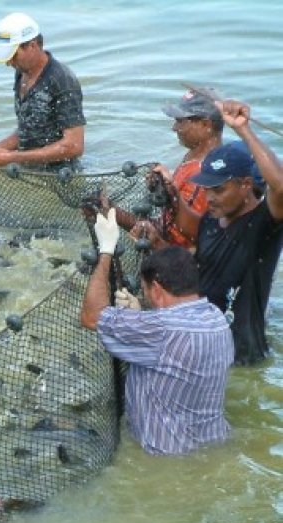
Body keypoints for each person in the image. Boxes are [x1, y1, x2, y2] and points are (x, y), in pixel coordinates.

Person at [80, 210, 234, 455]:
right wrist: (141, 314)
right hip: (214, 445)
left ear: (158, 289)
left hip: (165, 455)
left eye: (146, 290)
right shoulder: (216, 318)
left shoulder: (160, 330)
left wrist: (106, 251)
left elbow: (91, 316)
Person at [190, 100, 283, 365]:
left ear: (245, 184)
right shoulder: (210, 219)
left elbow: (280, 187)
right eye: (206, 189)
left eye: (218, 190)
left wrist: (243, 129)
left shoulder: (264, 226)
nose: (209, 198)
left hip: (241, 358)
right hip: (203, 344)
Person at [0, 12, 85, 172]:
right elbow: (29, 129)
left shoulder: (62, 81)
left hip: (59, 175)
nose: (8, 62)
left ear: (32, 45)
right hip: (28, 167)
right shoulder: (21, 72)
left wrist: (12, 157)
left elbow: (74, 146)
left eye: (13, 55)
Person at [121, 90, 224, 249]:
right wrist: (163, 188)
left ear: (206, 124)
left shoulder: (200, 175)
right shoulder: (194, 155)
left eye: (180, 121)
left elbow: (177, 239)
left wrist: (113, 214)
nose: (174, 128)